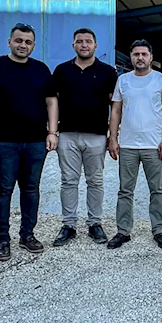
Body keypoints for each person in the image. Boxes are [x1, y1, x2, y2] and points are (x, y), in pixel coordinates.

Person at [0, 23, 58, 261]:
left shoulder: (41, 69)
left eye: (28, 42)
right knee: (3, 190)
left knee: (31, 189)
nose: (23, 45)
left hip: (35, 141)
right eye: (19, 40)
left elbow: (51, 101)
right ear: (9, 42)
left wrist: (52, 132)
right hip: (4, 142)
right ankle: (2, 238)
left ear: (33, 45)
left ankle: (27, 234)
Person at [52, 28, 118, 247]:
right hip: (67, 134)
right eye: (79, 41)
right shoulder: (62, 71)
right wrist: (52, 131)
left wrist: (113, 135)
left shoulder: (108, 72)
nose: (84, 45)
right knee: (68, 181)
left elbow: (115, 106)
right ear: (73, 45)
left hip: (96, 135)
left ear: (95, 46)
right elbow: (53, 102)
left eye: (88, 41)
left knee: (95, 181)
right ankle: (68, 225)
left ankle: (95, 223)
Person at [107, 40, 162, 250]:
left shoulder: (161, 79)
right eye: (136, 54)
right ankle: (123, 230)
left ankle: (159, 230)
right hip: (128, 144)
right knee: (125, 190)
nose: (140, 58)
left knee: (157, 190)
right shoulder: (123, 80)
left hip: (153, 145)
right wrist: (113, 138)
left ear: (151, 57)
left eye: (144, 54)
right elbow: (116, 110)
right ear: (131, 57)